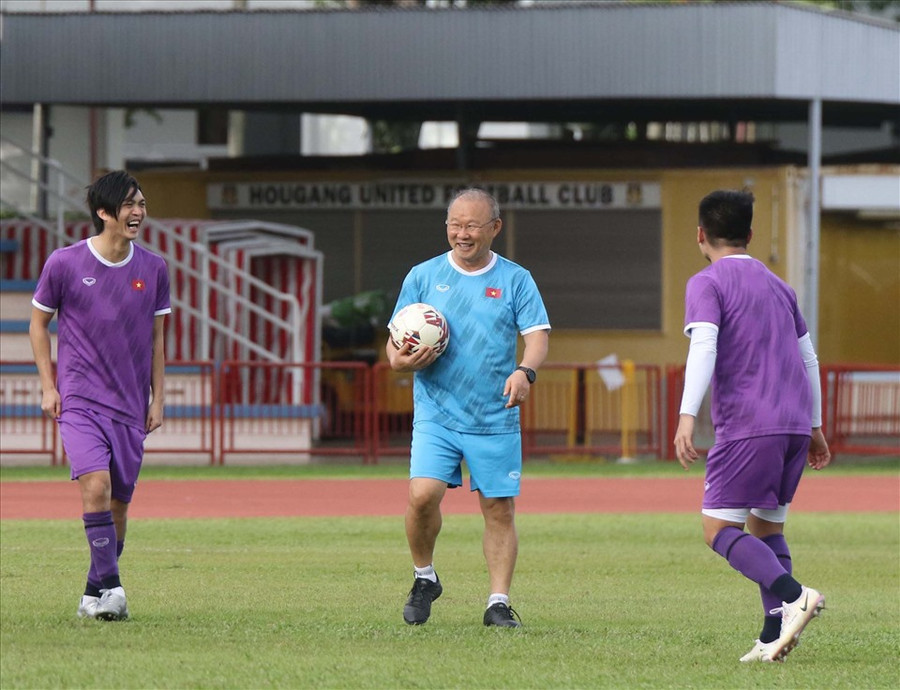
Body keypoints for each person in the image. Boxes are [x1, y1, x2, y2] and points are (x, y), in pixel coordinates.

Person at [673, 190, 831, 662]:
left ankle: (796, 595)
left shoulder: (707, 282)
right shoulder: (781, 286)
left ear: (701, 234)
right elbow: (809, 358)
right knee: (766, 529)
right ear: (751, 234)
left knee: (717, 529)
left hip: (748, 425)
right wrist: (815, 426)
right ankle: (772, 635)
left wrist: (686, 414)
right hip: (793, 425)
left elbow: (704, 345)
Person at [387, 188, 550, 628]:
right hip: (436, 413)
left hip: (494, 415)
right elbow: (395, 342)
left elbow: (537, 337)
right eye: (455, 225)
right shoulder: (422, 276)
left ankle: (498, 603)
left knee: (498, 509)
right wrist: (399, 361)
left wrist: (525, 371)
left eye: (472, 226)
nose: (463, 234)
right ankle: (424, 578)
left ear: (494, 228)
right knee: (422, 496)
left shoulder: (516, 279)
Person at [30, 170, 171, 621]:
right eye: (129, 205)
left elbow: (157, 339)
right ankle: (114, 590)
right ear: (104, 212)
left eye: (141, 204)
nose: (138, 212)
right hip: (80, 400)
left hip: (130, 403)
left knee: (119, 505)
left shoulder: (154, 268)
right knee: (96, 484)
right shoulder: (65, 263)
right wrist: (49, 385)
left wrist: (158, 398)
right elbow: (38, 324)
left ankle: (94, 593)